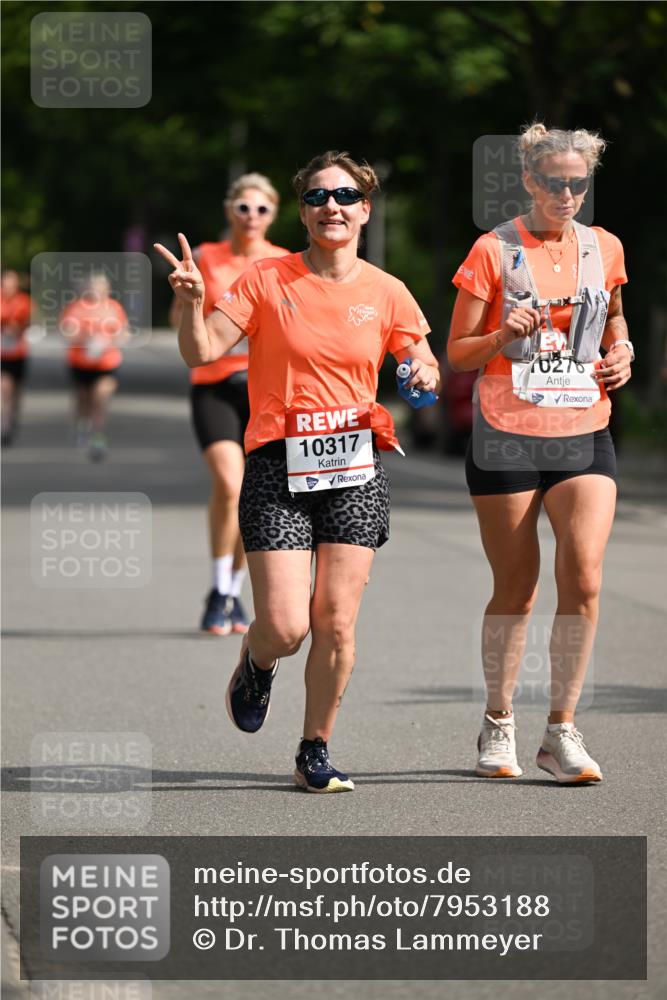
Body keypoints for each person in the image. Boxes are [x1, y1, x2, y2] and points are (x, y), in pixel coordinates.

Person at [156, 150, 439, 792]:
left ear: (365, 209)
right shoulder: (265, 279)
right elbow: (201, 353)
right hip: (277, 466)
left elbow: (423, 367)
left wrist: (422, 374)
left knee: (337, 620)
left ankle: (315, 747)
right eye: (316, 197)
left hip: (354, 468)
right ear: (304, 210)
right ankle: (256, 661)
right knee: (287, 626)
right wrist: (194, 305)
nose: (330, 207)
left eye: (343, 196)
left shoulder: (387, 291)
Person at [448, 123, 633, 784]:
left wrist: (623, 352)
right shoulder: (492, 250)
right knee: (517, 588)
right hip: (507, 431)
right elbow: (458, 352)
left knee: (582, 575)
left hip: (584, 427)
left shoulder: (602, 246)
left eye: (576, 183)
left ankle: (561, 730)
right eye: (552, 182)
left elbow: (612, 319)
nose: (565, 194)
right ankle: (497, 723)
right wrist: (501, 332)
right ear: (528, 180)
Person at [169, 174, 289, 637]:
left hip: (264, 388)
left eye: (261, 209)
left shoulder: (284, 262)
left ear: (273, 215)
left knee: (252, 494)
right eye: (243, 208)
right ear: (229, 211)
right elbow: (183, 323)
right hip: (214, 384)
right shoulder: (204, 257)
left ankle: (231, 589)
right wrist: (187, 303)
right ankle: (220, 588)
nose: (252, 217)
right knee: (229, 484)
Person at [60, 273, 129, 461]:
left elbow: (124, 333)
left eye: (101, 286)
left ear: (107, 288)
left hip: (106, 363)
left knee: (100, 398)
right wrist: (86, 340)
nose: (97, 290)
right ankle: (82, 427)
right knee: (83, 399)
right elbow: (68, 331)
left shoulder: (114, 308)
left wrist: (108, 341)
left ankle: (98, 437)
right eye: (94, 286)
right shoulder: (77, 308)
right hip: (80, 363)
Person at [1, 270, 32, 446]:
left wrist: (16, 328)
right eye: (5, 283)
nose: (8, 287)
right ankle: (4, 424)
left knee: (16, 391)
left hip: (18, 352)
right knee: (5, 388)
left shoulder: (23, 301)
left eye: (11, 284)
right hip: (2, 354)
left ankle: (13, 416)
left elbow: (27, 323)